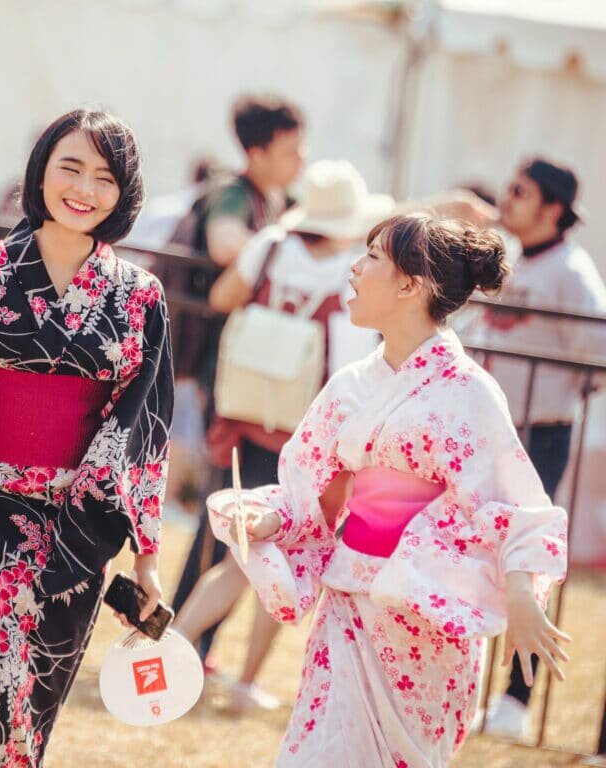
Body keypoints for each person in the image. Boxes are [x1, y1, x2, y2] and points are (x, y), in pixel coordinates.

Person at [208, 212, 569, 766]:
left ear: (410, 284)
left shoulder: (469, 392)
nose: (354, 266)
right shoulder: (352, 383)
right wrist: (269, 520)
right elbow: (308, 490)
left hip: (422, 611)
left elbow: (511, 503)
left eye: (372, 255)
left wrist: (521, 591)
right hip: (349, 603)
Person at [0, 108, 173, 768]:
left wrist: (145, 560)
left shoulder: (140, 296)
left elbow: (143, 429)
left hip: (75, 532)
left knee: (26, 720)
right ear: (41, 172)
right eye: (69, 168)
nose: (82, 189)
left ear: (124, 192)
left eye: (103, 178)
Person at [173, 160, 388, 710]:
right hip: (307, 438)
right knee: (287, 557)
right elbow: (349, 362)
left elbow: (223, 297)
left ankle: (173, 651)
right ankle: (244, 681)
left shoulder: (268, 243)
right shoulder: (353, 270)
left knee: (225, 546)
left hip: (243, 415)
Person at [469, 158, 606, 738]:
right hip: (495, 427)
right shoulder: (515, 255)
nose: (507, 199)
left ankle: (517, 702)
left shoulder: (572, 272)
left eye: (520, 192)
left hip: (541, 431)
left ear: (552, 208)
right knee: (475, 550)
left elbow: (596, 352)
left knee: (528, 561)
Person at [169, 95, 305, 665]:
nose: (299, 160)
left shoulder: (273, 202)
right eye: (290, 148)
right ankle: (182, 640)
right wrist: (290, 254)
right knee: (223, 513)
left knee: (226, 514)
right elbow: (227, 245)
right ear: (257, 151)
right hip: (228, 382)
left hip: (246, 381)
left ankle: (189, 640)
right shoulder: (234, 195)